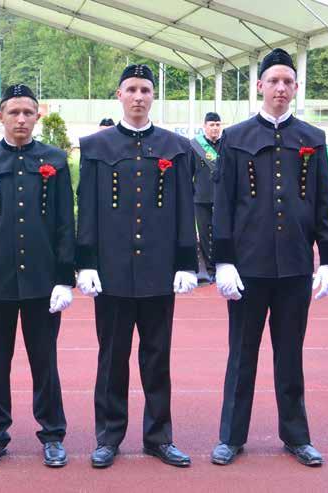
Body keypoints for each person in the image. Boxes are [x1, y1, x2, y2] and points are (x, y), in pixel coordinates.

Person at [210, 48, 328, 468]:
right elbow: (223, 204)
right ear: (259, 86)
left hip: (295, 266)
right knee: (242, 354)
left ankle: (296, 436)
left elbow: (323, 204)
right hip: (248, 269)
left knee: (290, 354)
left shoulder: (312, 139)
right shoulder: (235, 137)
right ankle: (231, 437)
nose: (281, 88)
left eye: (288, 81)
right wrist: (223, 261)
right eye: (274, 81)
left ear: (296, 88)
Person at [76, 64, 198, 469]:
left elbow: (185, 209)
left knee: (157, 357)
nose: (139, 96)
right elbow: (87, 211)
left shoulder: (175, 147)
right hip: (110, 273)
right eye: (131, 89)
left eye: (146, 89)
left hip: (159, 273)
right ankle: (109, 436)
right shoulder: (95, 147)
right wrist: (86, 263)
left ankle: (158, 436)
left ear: (153, 96)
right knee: (111, 358)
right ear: (119, 95)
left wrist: (186, 262)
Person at [0, 84, 75, 469]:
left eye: (28, 112)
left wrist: (64, 277)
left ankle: (53, 434)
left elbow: (64, 223)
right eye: (14, 113)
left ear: (38, 115)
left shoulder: (55, 160)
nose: (21, 119)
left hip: (43, 283)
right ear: (0, 115)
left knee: (46, 362)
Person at [191, 112, 222, 283]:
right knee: (204, 235)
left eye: (218, 125)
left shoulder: (226, 145)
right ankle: (208, 269)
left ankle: (220, 267)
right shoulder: (195, 146)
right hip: (201, 198)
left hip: (222, 198)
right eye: (212, 125)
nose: (215, 128)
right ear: (204, 126)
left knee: (221, 233)